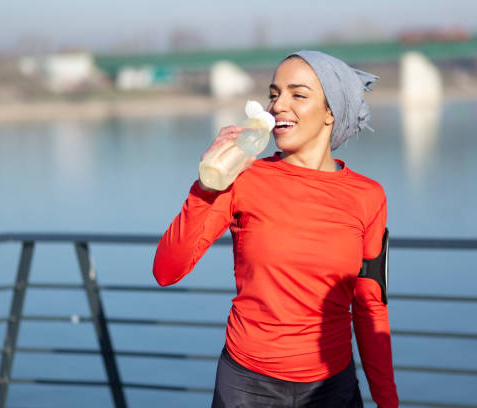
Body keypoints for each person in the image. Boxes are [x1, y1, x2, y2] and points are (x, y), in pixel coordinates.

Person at [153, 50, 399, 408]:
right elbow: (166, 270)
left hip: (332, 389)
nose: (277, 105)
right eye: (274, 93)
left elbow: (370, 306)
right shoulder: (243, 177)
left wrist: (387, 401)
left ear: (331, 112)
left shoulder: (368, 196)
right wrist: (207, 186)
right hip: (246, 388)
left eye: (298, 95)